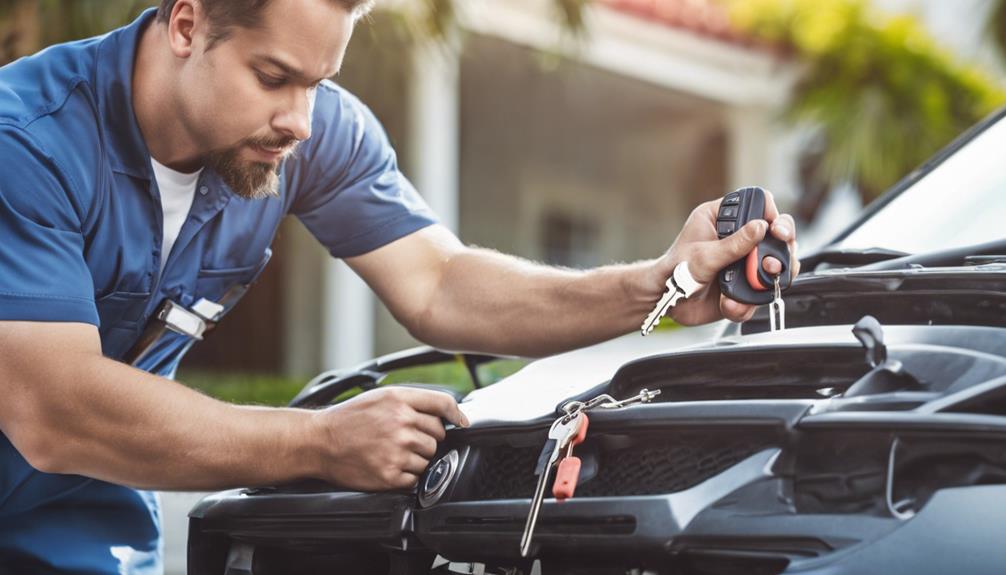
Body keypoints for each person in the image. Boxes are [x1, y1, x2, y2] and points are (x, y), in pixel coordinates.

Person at [0, 0, 800, 572]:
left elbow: (442, 283)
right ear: (187, 23)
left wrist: (658, 286)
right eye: (274, 76)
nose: (300, 120)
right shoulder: (27, 143)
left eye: (318, 81)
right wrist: (319, 440)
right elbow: (54, 409)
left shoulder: (305, 137)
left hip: (83, 523)